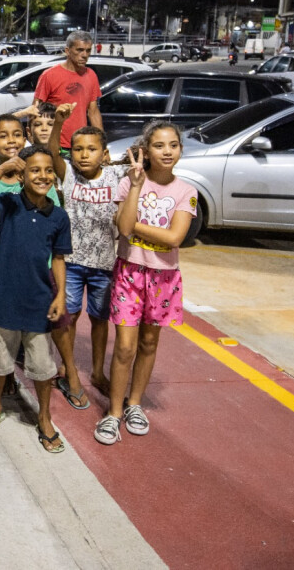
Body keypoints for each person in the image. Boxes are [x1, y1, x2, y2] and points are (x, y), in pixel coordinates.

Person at [94, 121, 197, 446]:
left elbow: (174, 238)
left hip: (164, 277)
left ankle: (134, 404)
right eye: (159, 145)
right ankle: (113, 412)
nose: (167, 151)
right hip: (130, 272)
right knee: (125, 347)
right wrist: (137, 188)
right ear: (146, 150)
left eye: (173, 145)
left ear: (180, 150)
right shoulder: (129, 183)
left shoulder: (187, 192)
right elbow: (123, 230)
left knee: (149, 343)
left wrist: (135, 224)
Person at [0, 145, 71, 452]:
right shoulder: (9, 203)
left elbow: (58, 258)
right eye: (35, 170)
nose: (43, 175)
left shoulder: (58, 216)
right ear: (21, 176)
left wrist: (60, 296)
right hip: (2, 297)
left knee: (42, 364)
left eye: (48, 170)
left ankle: (44, 415)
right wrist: (2, 170)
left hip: (38, 300)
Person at [46, 104, 126, 409]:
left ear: (104, 154)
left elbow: (140, 169)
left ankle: (97, 371)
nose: (83, 155)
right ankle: (66, 366)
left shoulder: (116, 175)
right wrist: (58, 124)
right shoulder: (69, 175)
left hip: (104, 264)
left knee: (99, 320)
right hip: (71, 262)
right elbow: (53, 153)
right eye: (78, 149)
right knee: (69, 317)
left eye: (91, 149)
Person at [0, 114, 61, 364]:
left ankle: (25, 363)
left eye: (17, 134)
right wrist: (5, 214)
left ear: (25, 139)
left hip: (36, 267)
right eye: (3, 136)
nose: (11, 140)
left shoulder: (40, 177)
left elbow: (53, 219)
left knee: (33, 324)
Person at [34, 31, 104, 153]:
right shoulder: (49, 75)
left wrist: (102, 145)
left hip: (79, 144)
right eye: (80, 50)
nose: (84, 55)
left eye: (88, 50)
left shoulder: (91, 75)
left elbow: (93, 112)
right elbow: (35, 110)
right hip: (55, 144)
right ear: (67, 51)